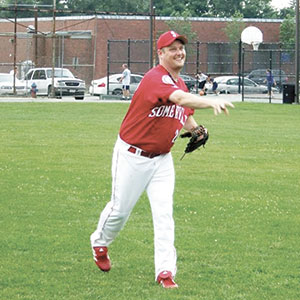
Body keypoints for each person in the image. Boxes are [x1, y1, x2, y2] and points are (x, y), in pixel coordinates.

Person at [90, 30, 234, 289]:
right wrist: (210, 101)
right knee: (119, 211)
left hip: (162, 160)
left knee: (164, 214)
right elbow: (179, 99)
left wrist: (196, 128)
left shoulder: (180, 83)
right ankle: (100, 243)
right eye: (172, 49)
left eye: (181, 47)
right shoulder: (154, 79)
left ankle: (165, 272)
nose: (179, 52)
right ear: (161, 53)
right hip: (132, 155)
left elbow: (184, 112)